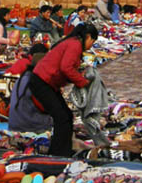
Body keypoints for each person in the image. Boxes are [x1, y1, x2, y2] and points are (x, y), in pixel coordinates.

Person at [28, 23, 99, 157]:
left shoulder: (72, 43)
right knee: (61, 117)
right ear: (88, 37)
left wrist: (79, 77)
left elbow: (66, 68)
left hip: (47, 82)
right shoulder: (75, 45)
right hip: (41, 81)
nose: (91, 45)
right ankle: (57, 154)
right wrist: (82, 82)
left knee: (66, 115)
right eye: (92, 42)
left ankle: (63, 151)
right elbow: (66, 68)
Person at [8, 43, 52, 133]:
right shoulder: (36, 80)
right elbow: (44, 107)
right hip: (27, 124)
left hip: (14, 122)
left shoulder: (25, 76)